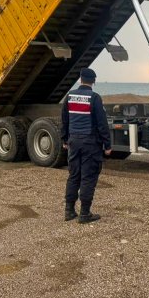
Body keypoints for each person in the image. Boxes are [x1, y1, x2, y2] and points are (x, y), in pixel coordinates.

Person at [61, 68, 112, 224]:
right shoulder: (94, 98)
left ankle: (69, 211)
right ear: (93, 81)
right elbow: (102, 123)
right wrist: (107, 144)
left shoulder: (69, 96)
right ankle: (84, 213)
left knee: (74, 175)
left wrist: (64, 139)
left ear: (80, 79)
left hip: (74, 141)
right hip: (90, 143)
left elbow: (64, 120)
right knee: (88, 177)